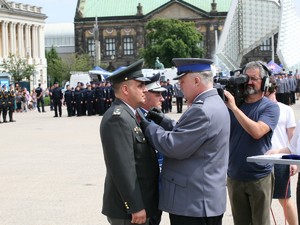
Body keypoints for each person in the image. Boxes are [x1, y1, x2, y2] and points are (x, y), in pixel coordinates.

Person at [140, 58, 230, 225]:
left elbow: (174, 146)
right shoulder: (213, 102)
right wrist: (165, 122)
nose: (180, 87)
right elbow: (192, 134)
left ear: (196, 81)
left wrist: (148, 127)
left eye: (182, 81)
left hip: (194, 203)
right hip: (202, 199)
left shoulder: (202, 110)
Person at [100, 59, 159, 225]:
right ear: (125, 89)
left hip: (144, 205)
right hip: (129, 212)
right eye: (140, 86)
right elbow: (122, 167)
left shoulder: (132, 114)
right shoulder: (117, 118)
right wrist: (134, 206)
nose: (145, 90)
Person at [224, 61, 280, 225]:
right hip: (235, 176)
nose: (249, 82)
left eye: (254, 78)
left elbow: (257, 132)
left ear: (265, 82)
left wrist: (234, 109)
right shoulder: (232, 104)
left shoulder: (270, 108)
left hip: (259, 177)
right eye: (246, 78)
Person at [264, 76, 298, 225]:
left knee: (284, 200)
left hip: (281, 159)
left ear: (275, 89)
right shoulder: (259, 110)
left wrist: (293, 162)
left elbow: (292, 138)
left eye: (270, 90)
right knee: (263, 203)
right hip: (262, 158)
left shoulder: (286, 110)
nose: (268, 94)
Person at [139, 73, 167, 225]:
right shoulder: (135, 119)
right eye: (157, 94)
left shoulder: (157, 116)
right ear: (145, 93)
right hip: (144, 193)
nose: (162, 99)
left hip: (157, 190)